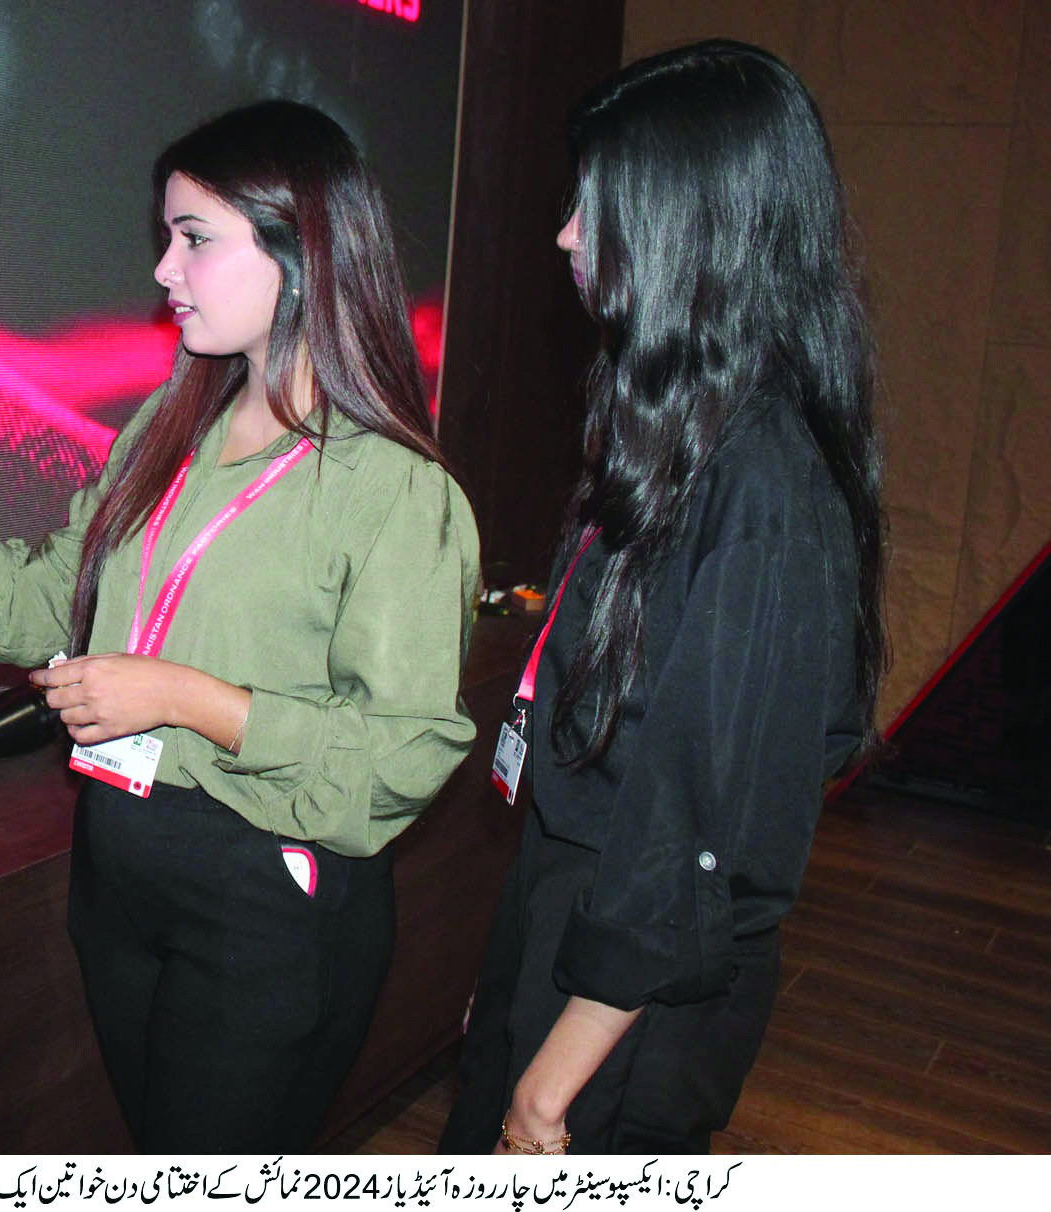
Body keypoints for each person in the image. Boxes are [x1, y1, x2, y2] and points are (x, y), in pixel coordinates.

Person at [0, 100, 479, 1152]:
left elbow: (401, 753)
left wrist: (180, 696)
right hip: (122, 869)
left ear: (303, 251)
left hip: (268, 899)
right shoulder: (171, 420)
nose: (162, 269)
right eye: (167, 237)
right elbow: (39, 612)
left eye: (194, 239)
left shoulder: (393, 490)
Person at [439, 40, 886, 1155]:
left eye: (593, 208)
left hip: (628, 1002)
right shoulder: (675, 428)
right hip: (577, 928)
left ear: (690, 223)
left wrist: (547, 1081)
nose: (564, 237)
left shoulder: (762, 480)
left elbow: (695, 832)